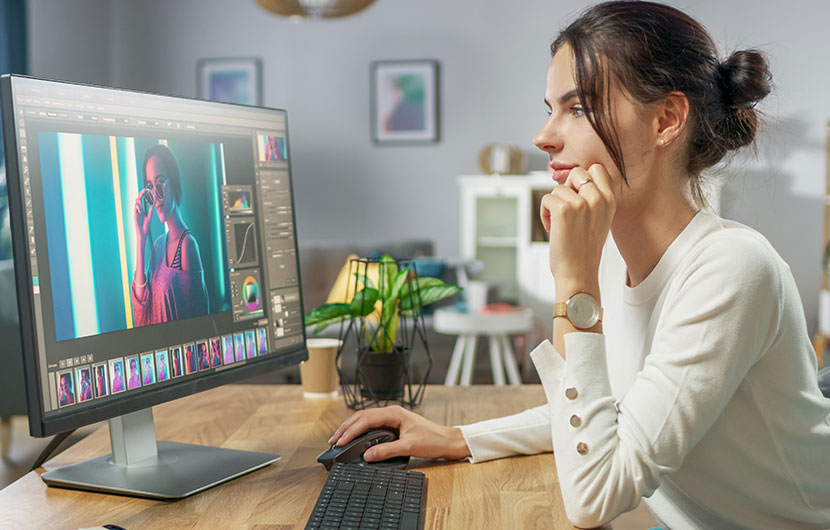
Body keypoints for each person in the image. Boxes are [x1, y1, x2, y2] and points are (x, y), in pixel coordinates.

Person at [327, 2, 830, 528]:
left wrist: (574, 285)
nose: (543, 137)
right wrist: (456, 438)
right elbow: (602, 412)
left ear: (666, 119)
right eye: (550, 108)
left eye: (579, 109)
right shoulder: (613, 259)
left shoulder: (730, 268)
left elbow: (594, 497)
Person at [132, 144, 209, 327]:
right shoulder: (158, 246)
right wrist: (141, 241)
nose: (156, 195)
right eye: (150, 187)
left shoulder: (187, 245)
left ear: (173, 181)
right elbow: (142, 311)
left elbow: (197, 325)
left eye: (160, 183)